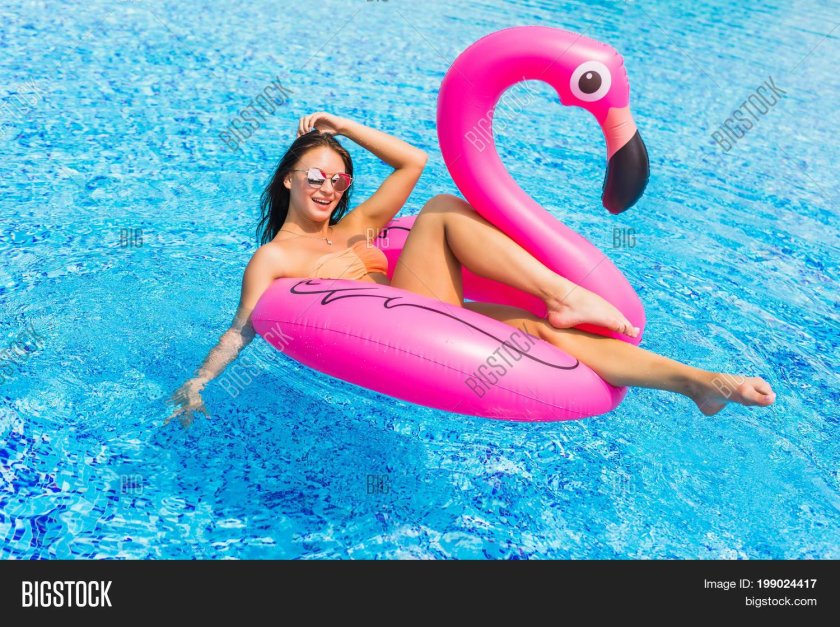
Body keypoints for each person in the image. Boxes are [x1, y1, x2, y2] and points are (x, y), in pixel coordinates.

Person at [166, 112, 775, 427]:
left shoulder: (357, 226)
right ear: (288, 180)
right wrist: (198, 384)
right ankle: (672, 363)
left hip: (427, 310)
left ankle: (699, 381)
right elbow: (242, 328)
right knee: (449, 222)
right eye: (316, 177)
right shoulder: (273, 258)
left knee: (538, 325)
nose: (329, 187)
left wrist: (344, 128)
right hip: (397, 327)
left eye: (339, 178)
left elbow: (413, 160)